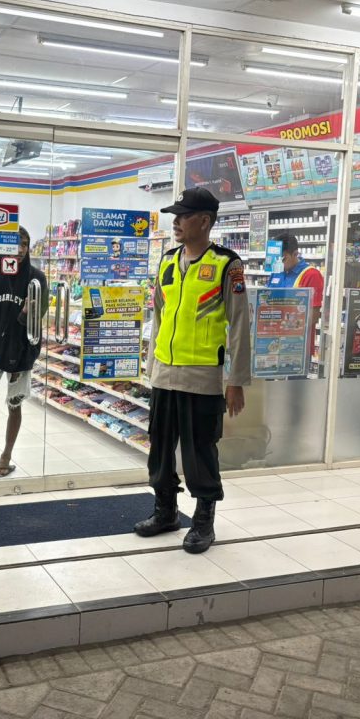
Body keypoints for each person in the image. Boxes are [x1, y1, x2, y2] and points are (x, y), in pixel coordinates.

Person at [135, 186, 251, 554]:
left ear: (204, 221)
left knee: (200, 452)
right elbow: (159, 316)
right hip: (164, 374)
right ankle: (166, 511)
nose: (176, 222)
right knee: (160, 448)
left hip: (202, 377)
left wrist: (236, 381)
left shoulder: (227, 265)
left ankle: (203, 521)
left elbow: (240, 324)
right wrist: (151, 365)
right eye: (176, 216)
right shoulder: (168, 261)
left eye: (183, 216)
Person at [0, 226, 49, 478]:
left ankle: (6, 455)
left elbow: (38, 317)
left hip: (21, 351)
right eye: (15, 244)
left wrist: (25, 314)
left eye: (24, 244)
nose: (20, 249)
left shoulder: (36, 279)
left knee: (15, 404)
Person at [268, 232, 325, 357]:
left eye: (283, 259)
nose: (278, 263)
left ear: (295, 254)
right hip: (272, 344)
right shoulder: (276, 272)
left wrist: (286, 327)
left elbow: (314, 316)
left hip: (297, 347)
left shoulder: (311, 275)